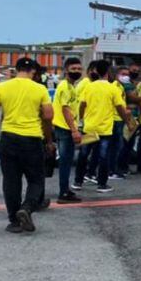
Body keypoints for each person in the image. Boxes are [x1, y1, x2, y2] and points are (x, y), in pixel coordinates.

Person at [0, 57, 54, 234]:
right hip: (31, 139)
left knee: (11, 181)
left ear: (16, 69)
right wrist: (49, 140)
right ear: (34, 72)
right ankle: (27, 208)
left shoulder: (2, 87)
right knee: (36, 179)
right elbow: (47, 116)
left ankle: (14, 221)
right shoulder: (40, 89)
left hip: (8, 139)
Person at [76, 59, 134, 193]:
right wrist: (128, 122)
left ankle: (78, 182)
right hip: (105, 129)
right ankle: (101, 184)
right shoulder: (112, 88)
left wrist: (82, 118)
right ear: (107, 72)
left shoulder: (89, 86)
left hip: (89, 127)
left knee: (84, 154)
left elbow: (82, 105)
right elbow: (120, 108)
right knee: (103, 156)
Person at [51, 57, 84, 204]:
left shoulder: (71, 86)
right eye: (73, 69)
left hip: (66, 128)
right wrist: (74, 130)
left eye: (79, 69)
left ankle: (65, 190)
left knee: (68, 161)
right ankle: (63, 193)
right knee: (65, 162)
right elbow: (65, 110)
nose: (77, 71)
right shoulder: (65, 86)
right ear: (66, 70)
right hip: (64, 129)